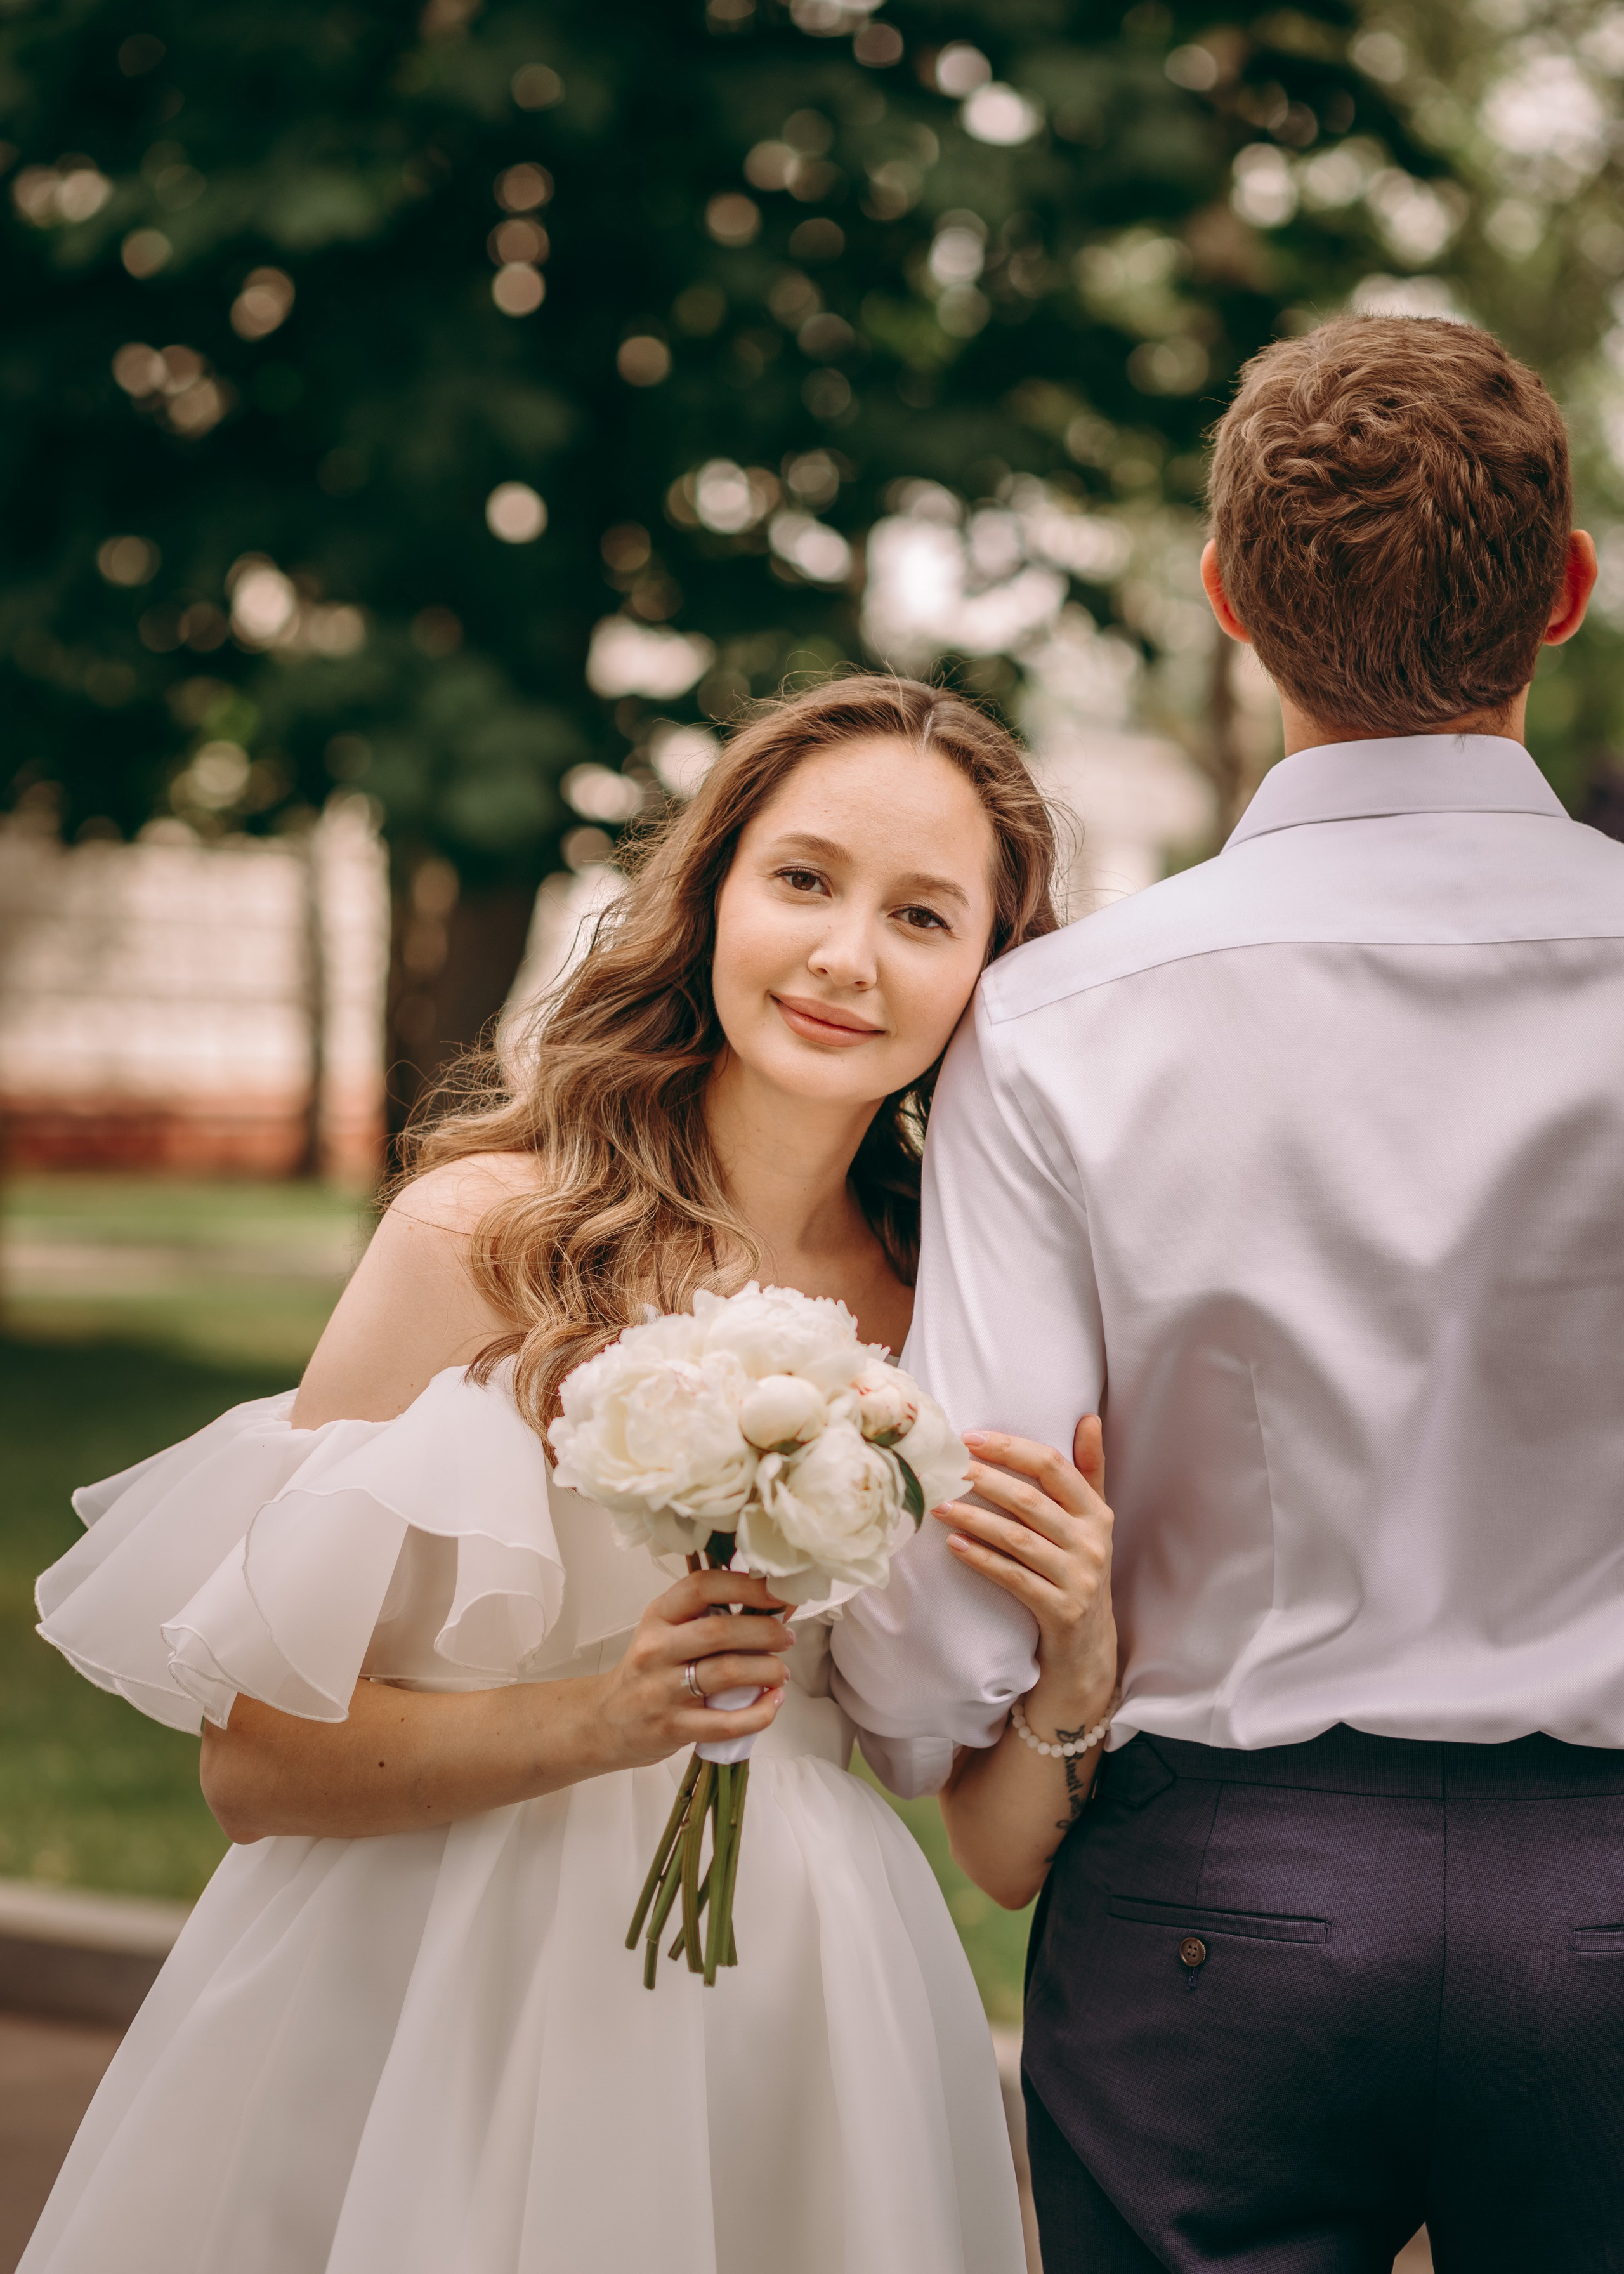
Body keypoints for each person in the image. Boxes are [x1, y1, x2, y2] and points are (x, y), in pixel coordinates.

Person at [25, 674, 1099, 2274]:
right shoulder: (486, 1235)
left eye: (923, 916)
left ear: (985, 979)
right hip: (432, 2000)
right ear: (714, 891)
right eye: (802, 879)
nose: (842, 957)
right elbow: (250, 1768)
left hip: (798, 2024)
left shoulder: (956, 1311)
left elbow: (1000, 1856)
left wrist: (1077, 1648)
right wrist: (605, 1718)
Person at [829, 314, 1624, 2271]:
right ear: (1569, 598)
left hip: (1218, 1896)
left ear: (1231, 606)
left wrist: (944, 1715)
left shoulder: (1058, 1020)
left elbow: (959, 1583)